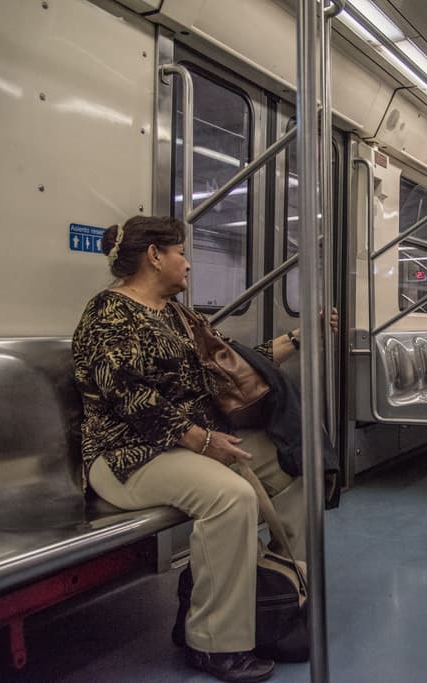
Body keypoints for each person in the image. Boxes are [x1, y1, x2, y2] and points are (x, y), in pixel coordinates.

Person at [73, 215, 334, 683]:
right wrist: (200, 439)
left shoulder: (178, 315)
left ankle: (275, 600)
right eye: (180, 253)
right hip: (127, 456)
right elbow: (127, 395)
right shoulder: (107, 314)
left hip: (186, 445)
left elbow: (235, 362)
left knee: (295, 466)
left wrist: (300, 337)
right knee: (230, 498)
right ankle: (213, 642)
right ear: (155, 256)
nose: (187, 264)